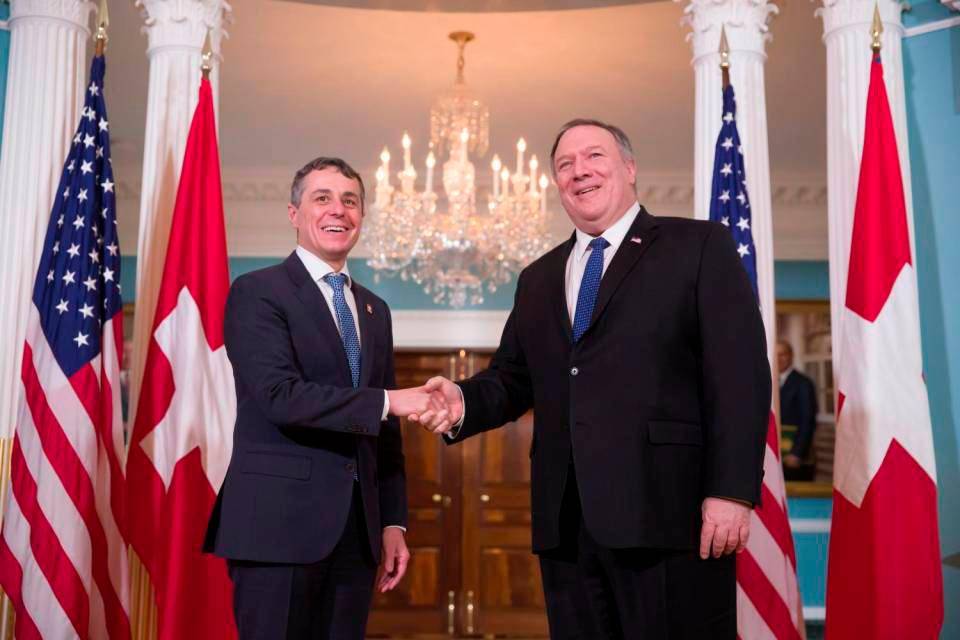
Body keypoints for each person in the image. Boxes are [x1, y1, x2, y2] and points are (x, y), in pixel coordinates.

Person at [414, 120, 771, 639]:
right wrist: (461, 402)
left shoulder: (697, 246)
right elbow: (513, 379)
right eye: (565, 164)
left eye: (594, 156)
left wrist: (731, 492)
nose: (579, 170)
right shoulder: (538, 278)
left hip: (670, 517)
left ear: (629, 168)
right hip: (567, 527)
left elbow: (740, 376)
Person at [204, 157, 446, 639]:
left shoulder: (375, 309)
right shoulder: (257, 292)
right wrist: (387, 401)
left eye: (350, 201)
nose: (339, 210)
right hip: (277, 529)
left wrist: (393, 522)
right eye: (323, 198)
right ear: (294, 213)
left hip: (357, 535)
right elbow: (280, 396)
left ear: (361, 216)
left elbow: (385, 434)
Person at [777, 340, 819, 481]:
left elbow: (808, 421)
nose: (779, 358)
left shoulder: (803, 383)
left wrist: (797, 453)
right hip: (774, 453)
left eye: (783, 354)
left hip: (793, 456)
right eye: (775, 355)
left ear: (791, 356)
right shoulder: (768, 382)